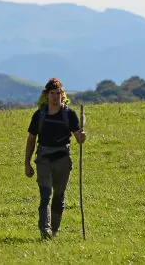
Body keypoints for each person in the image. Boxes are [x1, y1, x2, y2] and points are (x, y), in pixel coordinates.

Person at [24, 78, 86, 238]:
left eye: (58, 93)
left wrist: (82, 136)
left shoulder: (69, 115)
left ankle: (55, 230)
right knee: (45, 195)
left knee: (59, 197)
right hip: (43, 158)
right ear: (46, 95)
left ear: (62, 94)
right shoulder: (39, 115)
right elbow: (31, 139)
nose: (55, 96)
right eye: (52, 93)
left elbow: (77, 137)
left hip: (63, 160)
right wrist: (27, 163)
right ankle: (45, 230)